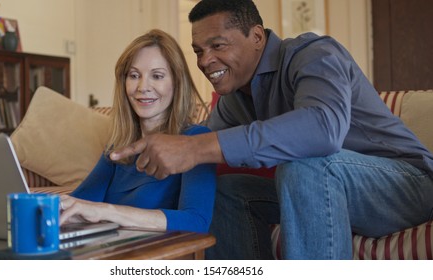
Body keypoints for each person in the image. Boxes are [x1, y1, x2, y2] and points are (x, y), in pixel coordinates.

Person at [110, 0, 433, 259]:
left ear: (257, 37)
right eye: (198, 51)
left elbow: (322, 129)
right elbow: (198, 157)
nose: (206, 61)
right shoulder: (234, 98)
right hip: (318, 190)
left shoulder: (314, 54)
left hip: (409, 186)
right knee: (227, 191)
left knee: (306, 165)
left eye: (218, 45)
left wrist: (195, 148)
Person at [59, 29, 216, 233]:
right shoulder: (117, 149)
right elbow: (79, 203)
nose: (143, 87)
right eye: (134, 75)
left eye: (157, 76)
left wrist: (108, 212)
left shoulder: (195, 140)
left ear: (177, 83)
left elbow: (196, 221)